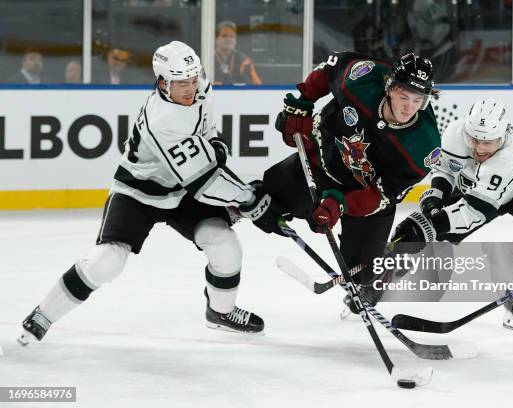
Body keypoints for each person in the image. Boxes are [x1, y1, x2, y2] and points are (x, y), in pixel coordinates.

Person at [18, 41, 284, 346]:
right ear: (161, 82)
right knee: (107, 261)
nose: (190, 88)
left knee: (226, 246)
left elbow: (205, 127)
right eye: (181, 83)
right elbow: (206, 182)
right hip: (138, 191)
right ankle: (44, 314)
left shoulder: (200, 85)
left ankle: (220, 312)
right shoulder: (163, 120)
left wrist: (217, 143)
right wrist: (249, 199)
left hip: (180, 189)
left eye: (193, 79)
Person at [264, 52, 441, 311]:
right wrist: (304, 102)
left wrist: (340, 205)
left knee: (363, 276)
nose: (409, 107)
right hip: (325, 165)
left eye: (418, 100)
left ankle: (384, 268)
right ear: (389, 87)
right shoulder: (363, 78)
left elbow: (381, 196)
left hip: (365, 197)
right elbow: (328, 70)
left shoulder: (423, 147)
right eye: (404, 96)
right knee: (269, 193)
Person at [391, 98, 513, 332]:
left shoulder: (510, 157)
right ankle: (377, 281)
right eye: (474, 140)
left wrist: (429, 224)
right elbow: (444, 170)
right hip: (481, 184)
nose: (479, 149)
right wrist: (434, 202)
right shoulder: (456, 133)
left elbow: (473, 213)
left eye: (488, 143)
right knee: (433, 232)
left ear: (503, 137)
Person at [213, 21, 262, 85]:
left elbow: (258, 85)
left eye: (232, 36)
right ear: (216, 39)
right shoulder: (206, 58)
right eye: (224, 36)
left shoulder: (244, 61)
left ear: (235, 40)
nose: (228, 39)